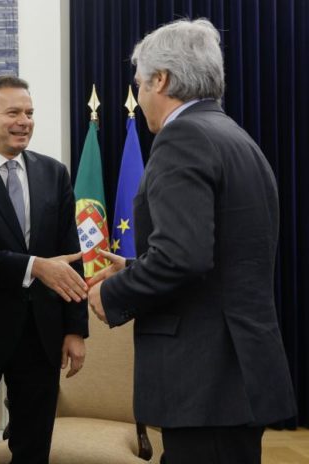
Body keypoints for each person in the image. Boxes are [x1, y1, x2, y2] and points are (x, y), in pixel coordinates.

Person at [87, 19, 296, 464]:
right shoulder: (234, 136)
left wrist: (114, 292)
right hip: (234, 375)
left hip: (205, 380)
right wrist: (136, 267)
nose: (140, 94)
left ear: (161, 80)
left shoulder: (183, 138)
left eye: (140, 83)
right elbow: (218, 256)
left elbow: (182, 256)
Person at [0, 75, 89, 464]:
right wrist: (32, 267)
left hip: (41, 333)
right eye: (13, 112)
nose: (24, 121)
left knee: (33, 447)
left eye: (29, 113)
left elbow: (69, 255)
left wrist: (75, 329)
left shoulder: (54, 173)